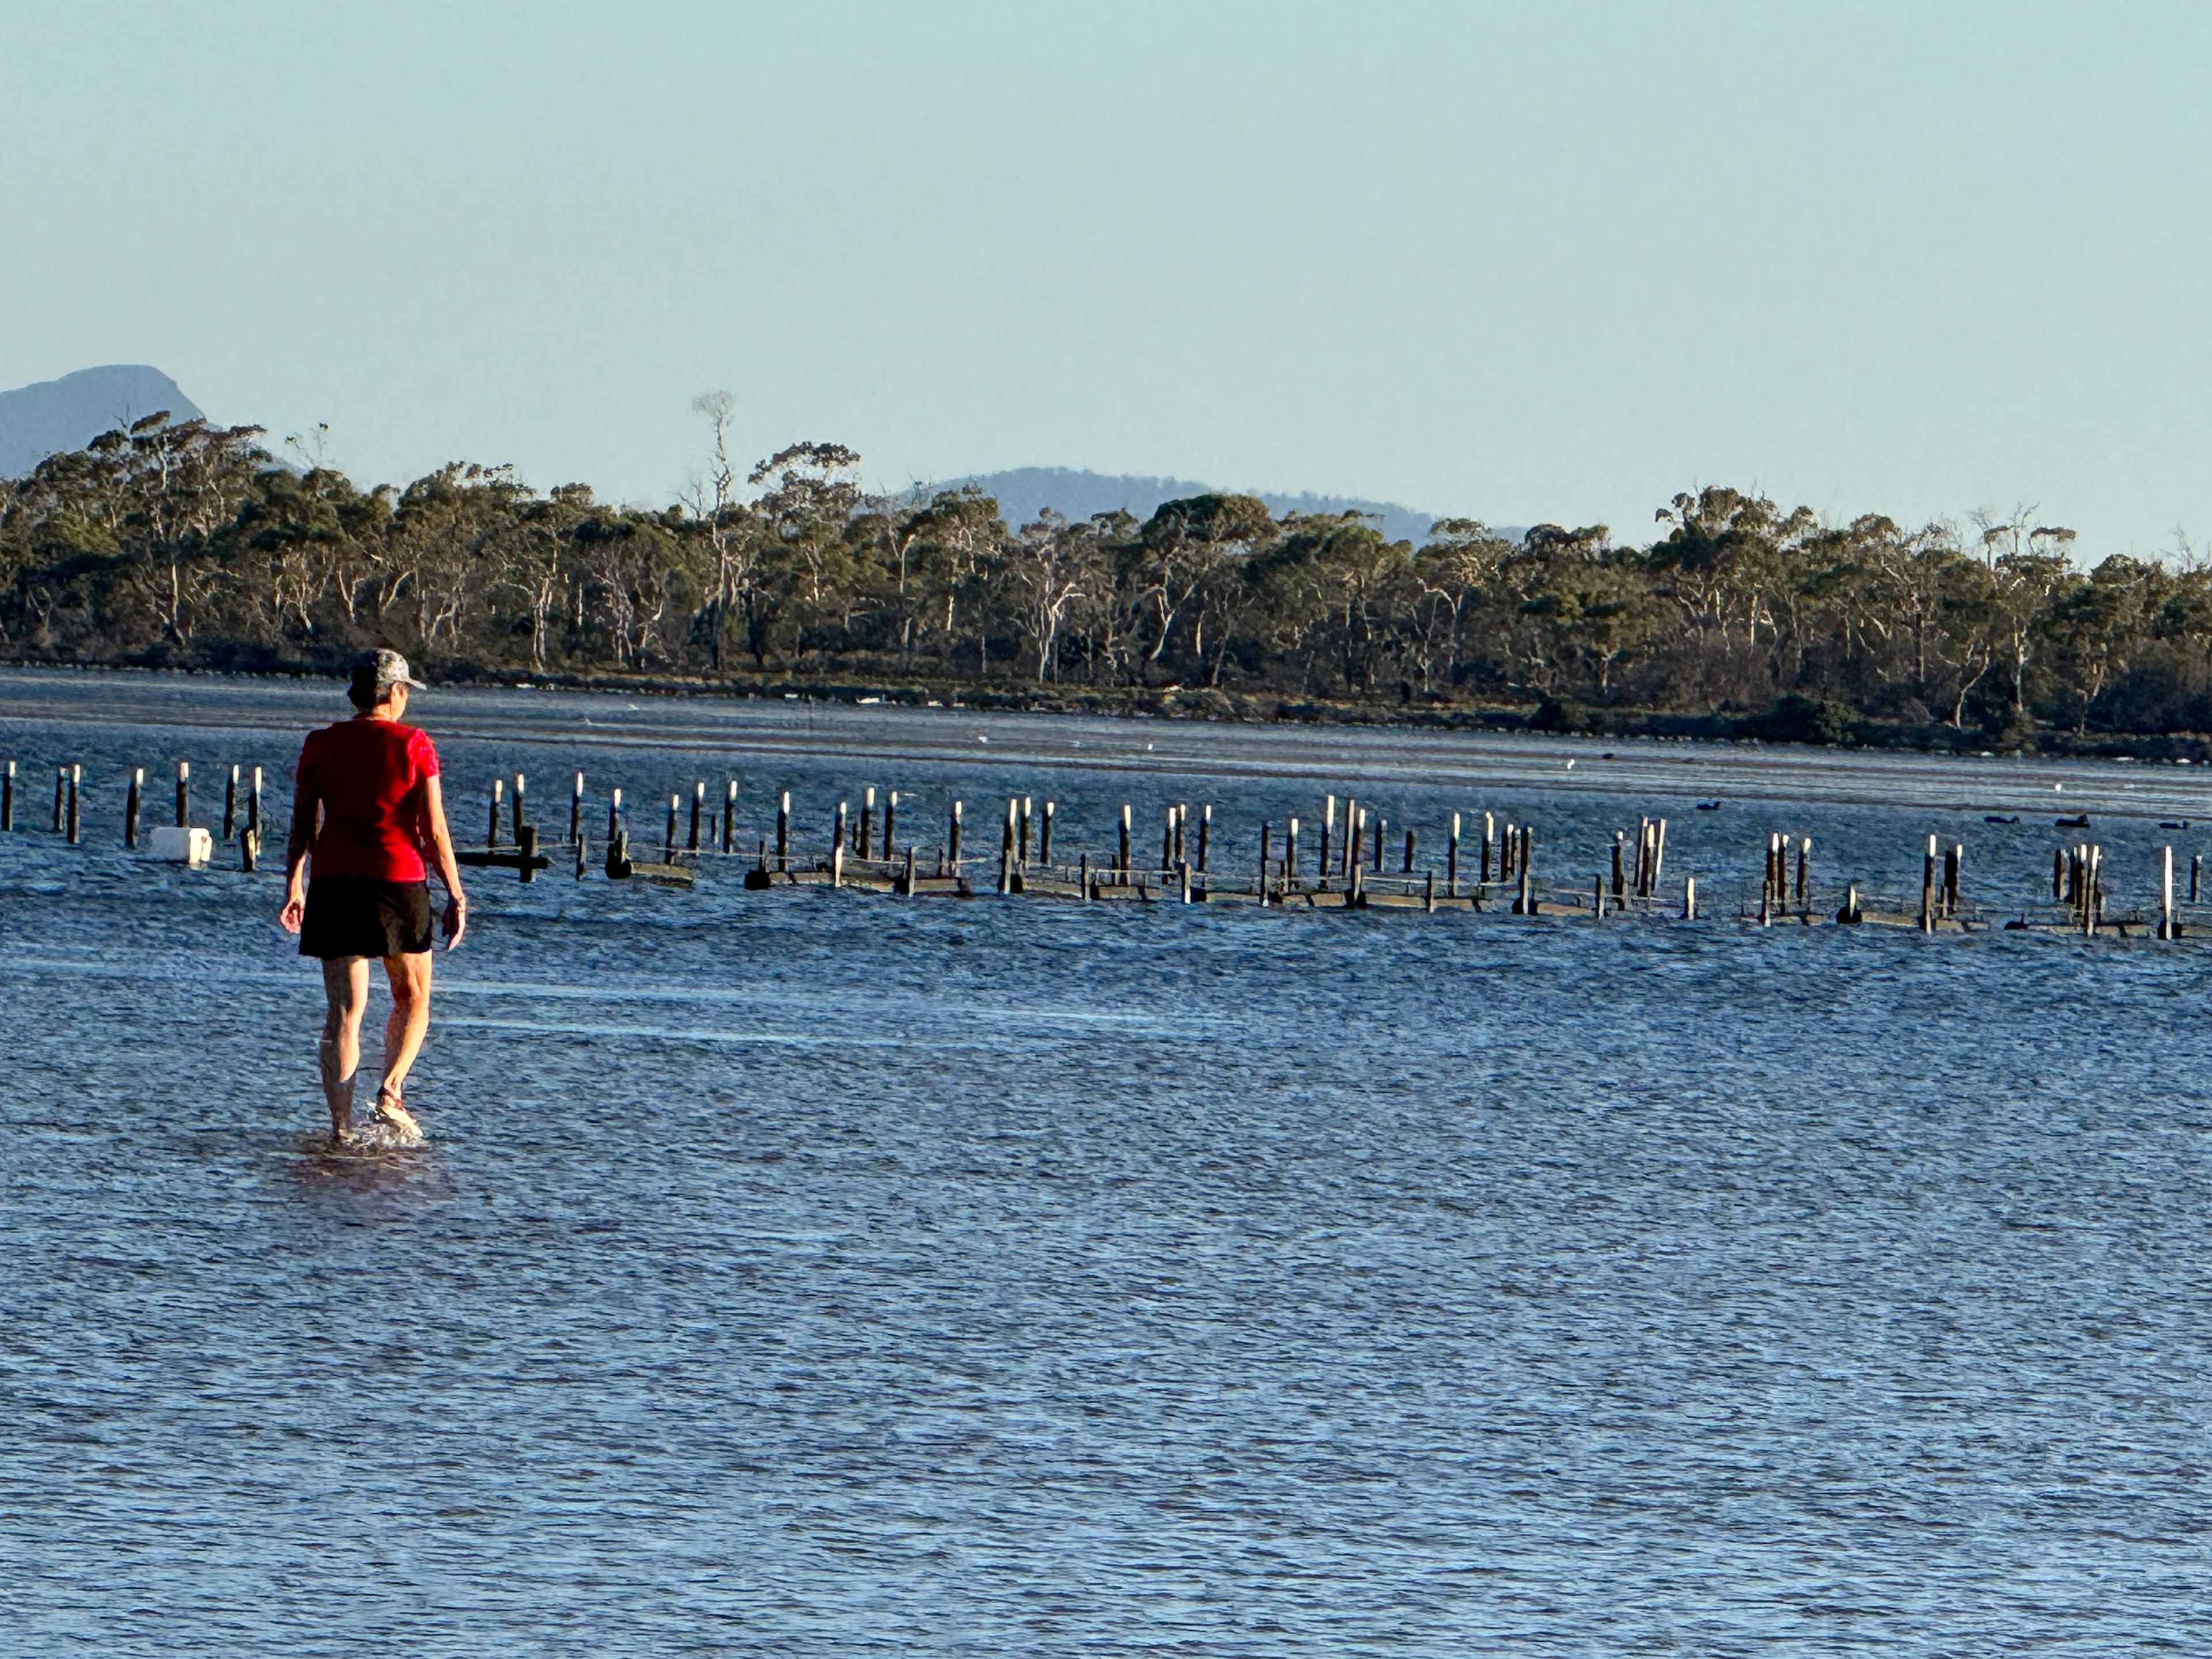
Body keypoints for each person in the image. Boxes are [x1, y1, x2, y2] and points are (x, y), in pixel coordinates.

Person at [279, 649, 467, 1145]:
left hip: (335, 884)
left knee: (344, 1012)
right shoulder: (415, 746)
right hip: (398, 882)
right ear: (395, 693)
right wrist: (455, 891)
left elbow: (302, 828)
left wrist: (294, 886)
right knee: (414, 997)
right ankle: (390, 1092)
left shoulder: (320, 744)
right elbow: (434, 829)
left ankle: (340, 1131)